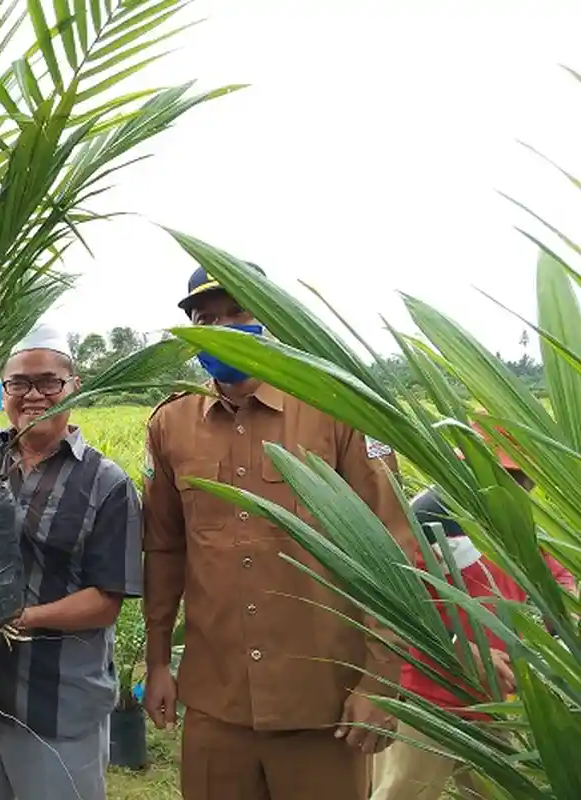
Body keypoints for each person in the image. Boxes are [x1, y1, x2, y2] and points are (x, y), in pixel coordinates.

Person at [140, 265, 419, 800]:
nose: (220, 328)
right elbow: (165, 549)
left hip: (321, 703)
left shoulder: (338, 408)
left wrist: (382, 679)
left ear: (272, 319)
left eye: (237, 314)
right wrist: (156, 663)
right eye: (204, 318)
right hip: (215, 705)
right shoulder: (170, 424)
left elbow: (391, 544)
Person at [0, 326, 144, 800]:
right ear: (1, 392)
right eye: (18, 383)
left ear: (73, 387)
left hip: (57, 702)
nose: (34, 395)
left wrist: (22, 618)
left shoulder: (106, 483)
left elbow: (106, 601)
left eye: (49, 382)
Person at [369, 422, 576, 800]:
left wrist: (565, 620)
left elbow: (557, 578)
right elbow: (391, 602)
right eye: (501, 473)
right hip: (427, 698)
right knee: (401, 793)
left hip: (493, 700)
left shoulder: (519, 521)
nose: (514, 485)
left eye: (519, 476)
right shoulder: (426, 516)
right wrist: (462, 648)